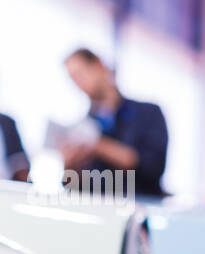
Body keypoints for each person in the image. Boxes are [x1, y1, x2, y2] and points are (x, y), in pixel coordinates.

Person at [61, 47, 168, 198]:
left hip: (140, 208)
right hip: (99, 210)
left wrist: (98, 146)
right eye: (73, 79)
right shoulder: (83, 127)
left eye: (80, 74)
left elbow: (152, 167)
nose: (79, 83)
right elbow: (75, 187)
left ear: (98, 65)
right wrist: (69, 167)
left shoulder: (149, 114)